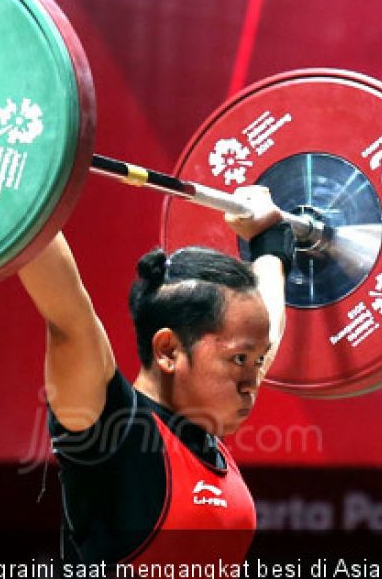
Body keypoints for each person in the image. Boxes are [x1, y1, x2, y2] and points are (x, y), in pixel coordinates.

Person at [17, 186, 294, 565]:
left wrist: (270, 245)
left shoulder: (202, 429)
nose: (253, 381)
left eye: (257, 361)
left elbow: (268, 332)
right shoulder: (111, 433)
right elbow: (69, 318)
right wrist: (18, 189)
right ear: (168, 351)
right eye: (240, 359)